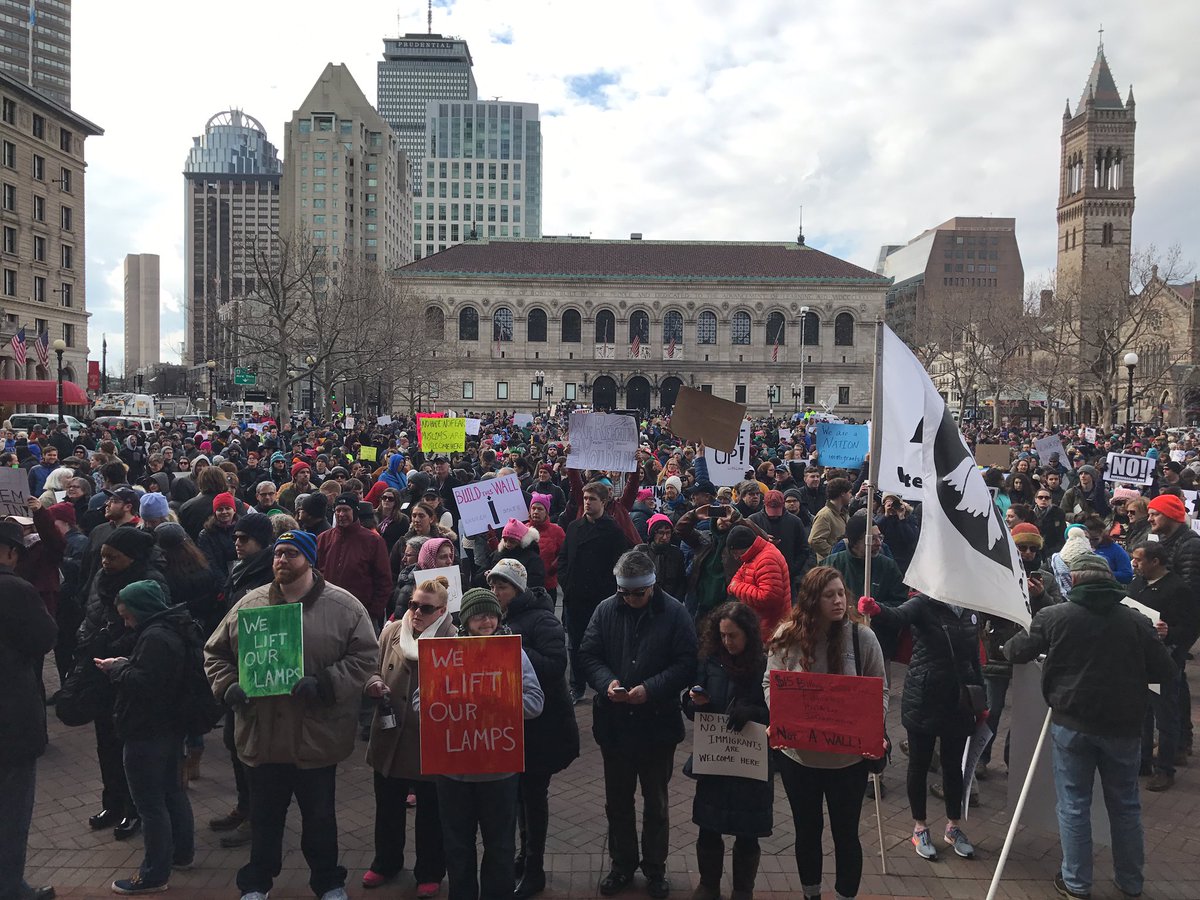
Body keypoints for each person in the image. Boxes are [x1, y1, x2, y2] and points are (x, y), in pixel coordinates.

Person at [204, 530, 379, 900]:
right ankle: (256, 883)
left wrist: (326, 683)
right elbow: (215, 653)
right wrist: (228, 685)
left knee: (319, 817)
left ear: (309, 560)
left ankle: (328, 881)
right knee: (265, 817)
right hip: (262, 734)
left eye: (290, 554)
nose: (281, 560)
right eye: (277, 554)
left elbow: (366, 657)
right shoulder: (249, 605)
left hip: (315, 736)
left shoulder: (344, 608)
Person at [1004, 550, 1176, 900]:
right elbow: (1165, 672)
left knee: (1073, 802)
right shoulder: (1135, 622)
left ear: (1076, 581)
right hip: (1124, 727)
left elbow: (1015, 651)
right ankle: (1130, 880)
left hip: (1072, 722)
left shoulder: (1056, 616)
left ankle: (1077, 882)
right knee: (1126, 804)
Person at [578, 550, 697, 899]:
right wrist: (607, 683)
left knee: (656, 802)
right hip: (614, 723)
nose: (630, 600)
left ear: (652, 586)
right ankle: (622, 864)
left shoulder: (675, 613)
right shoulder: (606, 609)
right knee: (618, 801)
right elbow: (588, 654)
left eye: (637, 594)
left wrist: (652, 688)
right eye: (624, 593)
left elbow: (687, 662)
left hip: (656, 725)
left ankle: (655, 867)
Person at [766, 569, 887, 900]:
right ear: (811, 600)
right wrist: (779, 714)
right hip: (798, 759)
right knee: (807, 830)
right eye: (829, 595)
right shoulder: (787, 635)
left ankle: (846, 895)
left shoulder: (863, 639)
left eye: (840, 593)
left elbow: (881, 689)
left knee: (846, 833)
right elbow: (770, 682)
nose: (838, 601)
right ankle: (811, 893)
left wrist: (875, 726)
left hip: (847, 762)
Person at [421, 587, 544, 900]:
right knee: (458, 846)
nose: (486, 620)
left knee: (500, 847)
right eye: (478, 615)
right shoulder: (444, 653)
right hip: (453, 771)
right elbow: (419, 703)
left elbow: (535, 703)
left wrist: (497, 700)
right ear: (466, 620)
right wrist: (453, 700)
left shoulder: (513, 653)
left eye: (491, 614)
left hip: (498, 770)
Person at [858, 591, 982, 862]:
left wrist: (981, 697)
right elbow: (897, 616)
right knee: (919, 764)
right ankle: (920, 827)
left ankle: (953, 826)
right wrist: (877, 609)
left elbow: (974, 658)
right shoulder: (922, 604)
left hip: (959, 701)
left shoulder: (970, 610)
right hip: (923, 697)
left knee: (953, 767)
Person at [94, 580, 196, 895]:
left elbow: (145, 684)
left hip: (145, 731)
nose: (126, 622)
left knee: (149, 804)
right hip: (169, 728)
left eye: (127, 616)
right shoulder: (173, 628)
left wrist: (117, 669)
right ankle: (181, 853)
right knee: (172, 793)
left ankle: (153, 873)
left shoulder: (155, 637)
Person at [486, 559, 580, 899]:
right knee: (520, 798)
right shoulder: (500, 618)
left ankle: (535, 867)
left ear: (518, 589)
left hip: (544, 728)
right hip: (516, 728)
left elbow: (556, 666)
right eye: (494, 585)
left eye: (504, 586)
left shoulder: (541, 619)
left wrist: (512, 649)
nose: (497, 592)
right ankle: (523, 857)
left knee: (533, 798)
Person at [362, 577, 456, 895]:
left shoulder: (453, 639)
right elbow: (371, 666)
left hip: (429, 740)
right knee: (387, 806)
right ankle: (385, 863)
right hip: (390, 735)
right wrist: (373, 683)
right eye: (413, 604)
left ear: (442, 611)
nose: (416, 612)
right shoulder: (391, 632)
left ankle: (429, 870)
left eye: (425, 608)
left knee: (431, 812)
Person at [79, 526, 165, 842]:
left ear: (131, 558)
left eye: (112, 557)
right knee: (105, 743)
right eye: (103, 556)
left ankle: (133, 809)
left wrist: (115, 646)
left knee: (127, 746)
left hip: (130, 671)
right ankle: (112, 803)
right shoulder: (102, 579)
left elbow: (148, 629)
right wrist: (87, 637)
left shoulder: (150, 582)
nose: (105, 562)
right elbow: (90, 610)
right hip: (102, 670)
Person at [684, 602, 772, 900]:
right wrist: (695, 702)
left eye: (732, 635)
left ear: (748, 634)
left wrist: (754, 712)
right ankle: (709, 884)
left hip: (750, 762)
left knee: (748, 832)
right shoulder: (710, 660)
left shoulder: (764, 663)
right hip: (717, 758)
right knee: (709, 827)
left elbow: (777, 711)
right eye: (722, 635)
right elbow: (692, 698)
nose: (727, 642)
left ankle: (742, 889)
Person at [0, 519, 58, 900]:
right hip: (10, 718)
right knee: (11, 811)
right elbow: (45, 637)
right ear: (10, 552)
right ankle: (9, 887)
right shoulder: (14, 589)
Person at [1129, 542, 1197, 792]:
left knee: (1165, 716)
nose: (1134, 563)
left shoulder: (1178, 589)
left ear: (1155, 561)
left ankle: (1165, 769)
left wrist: (1170, 633)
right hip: (1140, 661)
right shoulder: (1137, 584)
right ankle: (1143, 760)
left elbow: (1190, 627)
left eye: (1138, 559)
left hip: (1164, 663)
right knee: (1142, 713)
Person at [559, 481, 633, 703]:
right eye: (585, 499)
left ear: (603, 502)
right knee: (574, 644)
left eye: (592, 499)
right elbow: (563, 558)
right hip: (575, 597)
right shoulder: (573, 528)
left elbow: (621, 563)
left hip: (601, 598)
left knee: (604, 643)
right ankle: (576, 686)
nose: (587, 503)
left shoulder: (613, 530)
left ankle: (606, 684)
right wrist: (566, 580)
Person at [316, 493, 393, 628]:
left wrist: (373, 612)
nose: (341, 514)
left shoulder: (373, 541)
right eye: (338, 510)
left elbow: (384, 580)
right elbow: (315, 573)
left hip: (361, 615)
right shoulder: (324, 538)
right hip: (328, 613)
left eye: (346, 510)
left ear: (355, 511)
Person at [725, 524, 791, 643]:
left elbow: (769, 597)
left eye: (735, 552)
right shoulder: (753, 555)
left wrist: (737, 587)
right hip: (762, 625)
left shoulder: (766, 559)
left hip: (770, 630)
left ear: (743, 547)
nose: (735, 557)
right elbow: (737, 576)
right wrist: (735, 584)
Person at [748, 489, 810, 587]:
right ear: (764, 504)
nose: (774, 516)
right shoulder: (753, 521)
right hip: (760, 575)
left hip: (788, 577)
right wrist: (762, 542)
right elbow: (746, 549)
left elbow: (804, 549)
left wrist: (792, 569)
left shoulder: (795, 522)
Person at [808, 477, 851, 561]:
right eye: (849, 492)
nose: (850, 496)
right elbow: (814, 540)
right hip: (830, 564)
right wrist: (834, 553)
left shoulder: (843, 513)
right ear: (842, 493)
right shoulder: (825, 515)